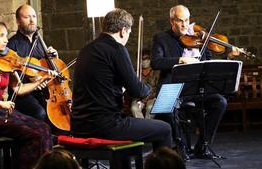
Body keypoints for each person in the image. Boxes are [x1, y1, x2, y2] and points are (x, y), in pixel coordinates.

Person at [71, 8, 172, 155]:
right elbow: (137, 90)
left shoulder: (86, 50)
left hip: (79, 126)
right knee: (164, 129)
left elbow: (99, 84)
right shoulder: (117, 49)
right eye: (129, 33)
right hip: (106, 126)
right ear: (123, 30)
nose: (127, 38)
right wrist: (148, 89)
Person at [151, 4, 240, 160]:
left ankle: (202, 145)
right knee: (168, 105)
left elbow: (209, 66)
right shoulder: (161, 38)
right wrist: (180, 60)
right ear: (172, 21)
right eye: (180, 21)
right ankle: (181, 147)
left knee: (220, 102)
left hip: (195, 89)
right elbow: (156, 62)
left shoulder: (199, 39)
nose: (185, 24)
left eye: (187, 20)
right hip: (173, 88)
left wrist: (229, 58)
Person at [0, 21, 53, 169]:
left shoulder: (5, 62)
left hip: (1, 112)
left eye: (6, 35)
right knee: (34, 134)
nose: (6, 39)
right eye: (1, 36)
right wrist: (0, 103)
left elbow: (19, 89)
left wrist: (40, 81)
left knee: (44, 128)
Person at [7, 4, 69, 128]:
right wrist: (34, 80)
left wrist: (54, 58)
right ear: (18, 21)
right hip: (24, 95)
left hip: (46, 92)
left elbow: (49, 69)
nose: (32, 20)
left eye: (34, 16)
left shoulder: (40, 41)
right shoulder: (12, 45)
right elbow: (15, 80)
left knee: (67, 112)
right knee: (41, 113)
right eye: (27, 17)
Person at [130, 49, 160, 119]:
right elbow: (133, 87)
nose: (144, 61)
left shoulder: (156, 72)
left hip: (152, 97)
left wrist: (148, 97)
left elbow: (158, 88)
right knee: (134, 108)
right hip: (139, 98)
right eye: (141, 59)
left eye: (146, 58)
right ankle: (143, 126)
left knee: (150, 108)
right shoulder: (136, 72)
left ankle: (147, 126)